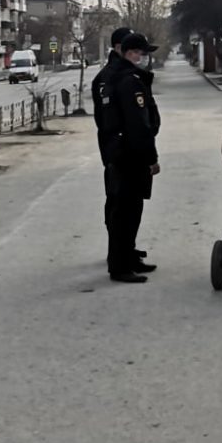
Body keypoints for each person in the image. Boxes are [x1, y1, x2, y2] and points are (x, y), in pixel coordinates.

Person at [100, 32, 161, 283]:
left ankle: (127, 258)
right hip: (130, 155)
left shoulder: (118, 78)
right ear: (129, 53)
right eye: (140, 53)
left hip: (121, 152)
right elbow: (138, 125)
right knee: (126, 212)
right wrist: (151, 158)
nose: (143, 58)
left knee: (128, 211)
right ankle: (120, 266)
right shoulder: (129, 81)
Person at [91, 26, 148, 269]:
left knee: (132, 205)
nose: (137, 54)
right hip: (121, 151)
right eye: (131, 48)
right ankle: (118, 256)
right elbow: (107, 120)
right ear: (118, 48)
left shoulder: (125, 74)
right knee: (120, 206)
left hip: (126, 149)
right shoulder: (111, 76)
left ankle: (127, 250)